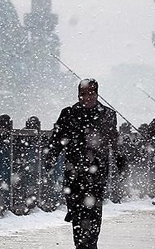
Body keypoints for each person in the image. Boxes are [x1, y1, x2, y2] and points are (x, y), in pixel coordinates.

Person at [45, 79, 120, 249]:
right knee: (77, 210)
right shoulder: (68, 114)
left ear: (97, 93)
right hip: (74, 172)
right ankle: (81, 242)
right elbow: (57, 140)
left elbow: (113, 141)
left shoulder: (107, 114)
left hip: (97, 171)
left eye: (90, 93)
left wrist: (120, 160)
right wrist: (50, 158)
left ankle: (90, 243)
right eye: (83, 94)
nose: (86, 97)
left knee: (93, 210)